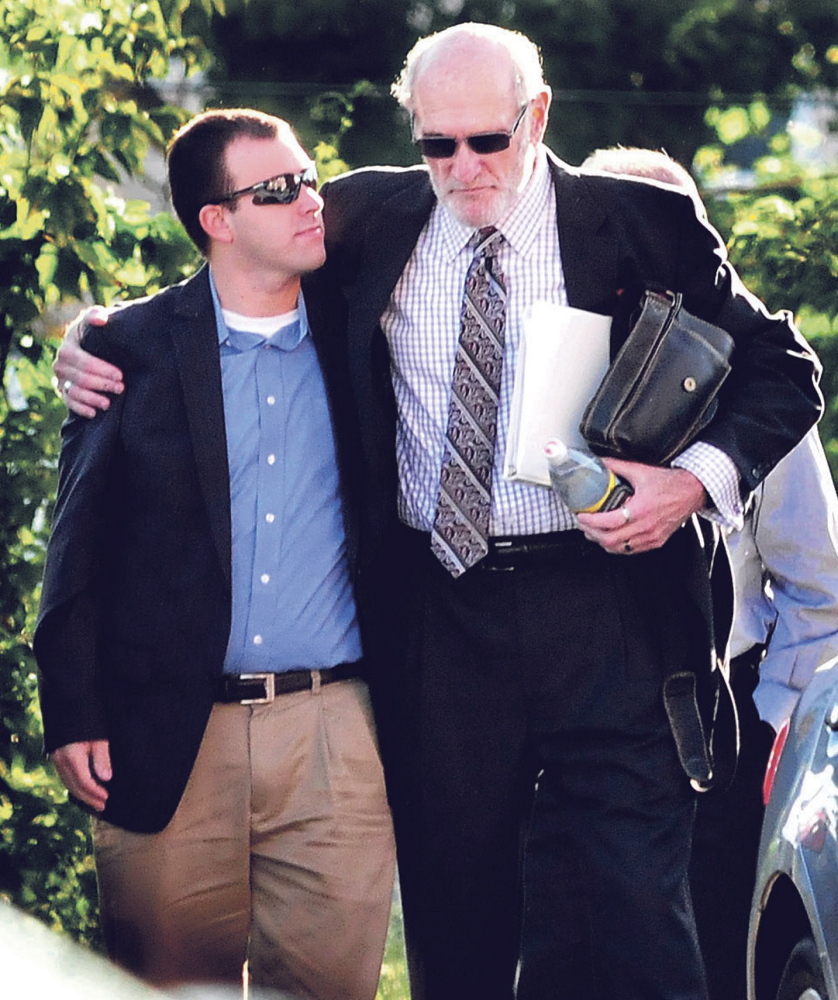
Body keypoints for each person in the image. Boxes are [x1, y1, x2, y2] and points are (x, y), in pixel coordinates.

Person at [54, 24, 822, 1000]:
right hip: (438, 620)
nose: (462, 167)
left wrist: (693, 481)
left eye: (487, 140)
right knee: (456, 925)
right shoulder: (369, 215)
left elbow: (781, 368)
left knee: (637, 914)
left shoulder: (636, 222)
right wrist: (96, 334)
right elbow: (233, 258)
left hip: (609, 614)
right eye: (436, 142)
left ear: (536, 118)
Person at [35, 108, 395, 1000]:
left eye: (310, 178)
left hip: (334, 734)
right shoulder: (130, 350)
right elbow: (75, 543)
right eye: (278, 190)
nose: (310, 201)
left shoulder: (365, 331)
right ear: (216, 221)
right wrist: (72, 710)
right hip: (168, 732)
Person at [583, 145, 838, 1000]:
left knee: (710, 956)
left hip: (720, 725)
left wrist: (765, 729)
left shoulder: (759, 397)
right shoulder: (550, 362)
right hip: (569, 717)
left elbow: (821, 586)